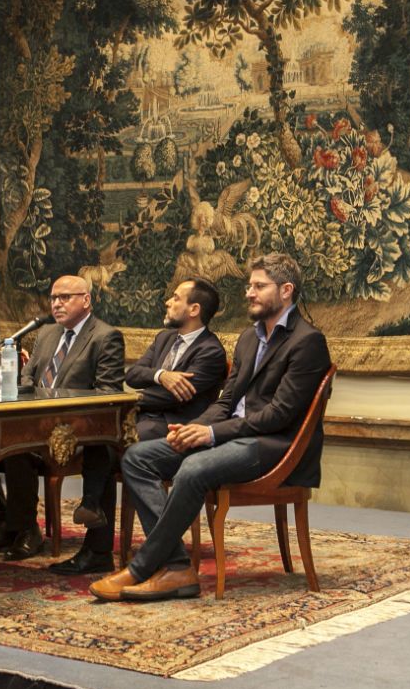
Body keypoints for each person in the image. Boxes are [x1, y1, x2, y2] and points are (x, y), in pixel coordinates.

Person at [91, 253, 331, 602]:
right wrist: (195, 429)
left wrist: (212, 434)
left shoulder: (307, 341)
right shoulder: (249, 339)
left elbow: (280, 414)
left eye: (259, 286)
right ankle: (175, 566)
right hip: (236, 437)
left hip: (275, 446)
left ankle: (143, 567)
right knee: (138, 458)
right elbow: (225, 400)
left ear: (286, 291)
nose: (249, 292)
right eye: (249, 285)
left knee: (194, 466)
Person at [0, 275, 125, 569]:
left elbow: (107, 393)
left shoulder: (105, 336)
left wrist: (58, 404)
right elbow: (28, 377)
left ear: (86, 300)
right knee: (5, 447)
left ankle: (85, 523)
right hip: (34, 424)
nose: (57, 303)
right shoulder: (46, 334)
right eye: (54, 298)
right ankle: (22, 529)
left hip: (76, 430)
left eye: (65, 297)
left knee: (98, 451)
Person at [124, 278, 228, 442]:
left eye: (176, 298)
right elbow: (133, 375)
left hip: (174, 424)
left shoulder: (211, 352)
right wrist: (161, 375)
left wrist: (125, 400)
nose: (167, 302)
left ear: (194, 309)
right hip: (142, 416)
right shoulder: (164, 338)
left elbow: (174, 396)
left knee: (121, 439)